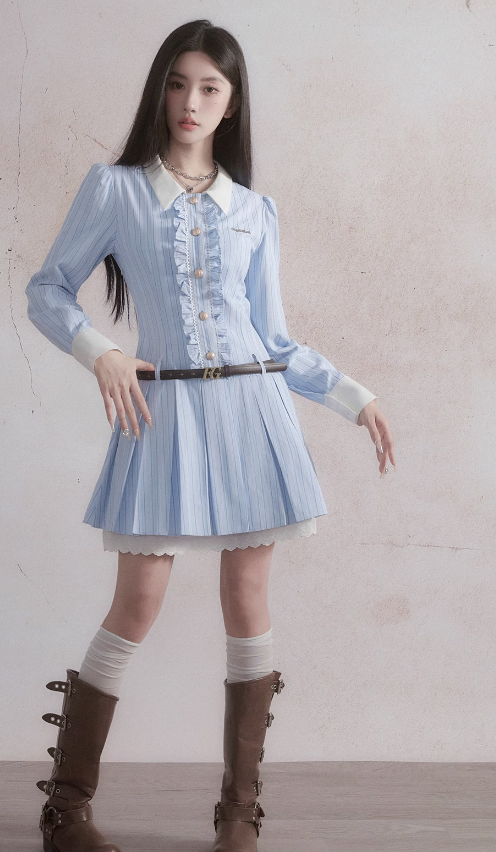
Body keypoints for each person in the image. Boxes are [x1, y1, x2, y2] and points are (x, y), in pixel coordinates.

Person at [25, 18, 396, 852]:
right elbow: (47, 290)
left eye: (209, 87)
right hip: (159, 416)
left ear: (231, 104)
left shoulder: (254, 211)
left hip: (251, 414)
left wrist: (353, 396)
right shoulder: (115, 190)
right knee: (137, 603)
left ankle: (237, 812)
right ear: (160, 90)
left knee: (247, 600)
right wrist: (100, 352)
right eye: (177, 83)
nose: (190, 101)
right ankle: (66, 810)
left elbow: (273, 339)